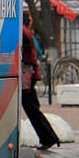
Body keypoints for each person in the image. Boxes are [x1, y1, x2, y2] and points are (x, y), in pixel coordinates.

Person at [21, 12, 60, 150]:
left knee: (32, 108)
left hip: (25, 74)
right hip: (30, 74)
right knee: (32, 108)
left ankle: (49, 137)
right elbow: (36, 50)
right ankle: (48, 137)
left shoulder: (21, 31)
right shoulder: (26, 31)